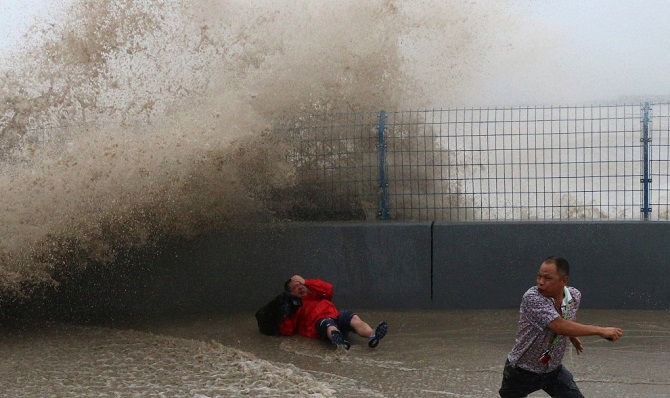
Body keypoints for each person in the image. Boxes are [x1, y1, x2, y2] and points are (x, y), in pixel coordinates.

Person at [499, 256, 624, 398]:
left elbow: (569, 316)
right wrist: (600, 330)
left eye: (547, 278)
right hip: (521, 372)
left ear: (564, 281)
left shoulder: (574, 295)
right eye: (539, 277)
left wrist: (573, 335)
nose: (540, 282)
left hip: (553, 371)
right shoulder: (532, 298)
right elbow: (559, 326)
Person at [278, 275, 387, 350]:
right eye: (295, 287)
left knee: (354, 319)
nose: (300, 287)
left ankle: (372, 335)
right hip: (320, 323)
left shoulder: (316, 294)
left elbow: (328, 288)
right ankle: (339, 341)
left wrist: (307, 282)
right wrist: (285, 314)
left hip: (336, 314)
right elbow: (288, 330)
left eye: (300, 284)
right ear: (291, 293)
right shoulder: (294, 307)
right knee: (329, 325)